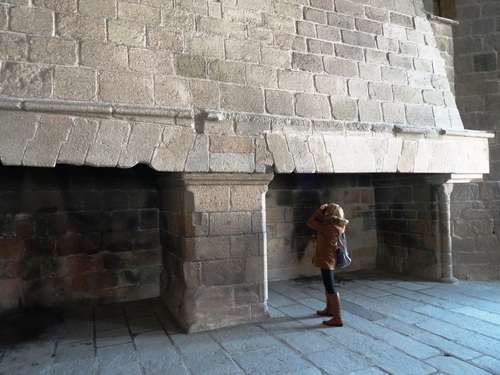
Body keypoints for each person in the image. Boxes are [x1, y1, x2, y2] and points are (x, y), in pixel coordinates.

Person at [306, 203, 349, 327]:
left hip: (326, 258)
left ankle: (337, 317)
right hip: (330, 257)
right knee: (327, 285)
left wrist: (319, 210)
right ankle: (329, 309)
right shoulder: (338, 225)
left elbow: (310, 222)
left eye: (327, 210)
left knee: (330, 287)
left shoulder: (328, 227)